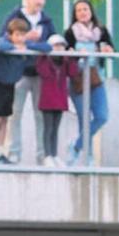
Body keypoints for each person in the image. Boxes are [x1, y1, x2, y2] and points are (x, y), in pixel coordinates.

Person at [0, 0, 55, 164]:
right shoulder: (14, 17)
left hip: (40, 73)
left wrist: (28, 44)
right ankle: (14, 153)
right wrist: (27, 40)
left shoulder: (46, 20)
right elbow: (2, 41)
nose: (41, 2)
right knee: (15, 114)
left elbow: (50, 45)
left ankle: (42, 155)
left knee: (41, 116)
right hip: (18, 73)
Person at [64, 0, 113, 164]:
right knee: (83, 119)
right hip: (78, 78)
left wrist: (107, 50)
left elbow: (111, 49)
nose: (82, 13)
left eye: (85, 9)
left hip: (96, 78)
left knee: (102, 115)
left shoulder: (101, 31)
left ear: (91, 11)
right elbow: (65, 54)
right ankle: (88, 157)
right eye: (78, 10)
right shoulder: (70, 32)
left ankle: (76, 147)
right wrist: (75, 53)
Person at [0, 19, 34, 164]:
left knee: (4, 119)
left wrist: (27, 44)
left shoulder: (26, 45)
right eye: (17, 34)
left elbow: (45, 47)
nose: (20, 38)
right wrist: (15, 47)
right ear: (10, 35)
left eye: (23, 35)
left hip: (9, 84)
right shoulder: (4, 42)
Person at [35, 34, 79, 167]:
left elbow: (73, 73)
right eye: (56, 45)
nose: (59, 48)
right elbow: (43, 72)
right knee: (48, 128)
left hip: (60, 100)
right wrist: (44, 55)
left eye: (61, 46)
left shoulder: (65, 61)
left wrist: (72, 59)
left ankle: (54, 155)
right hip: (47, 100)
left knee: (55, 129)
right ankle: (47, 155)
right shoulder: (44, 60)